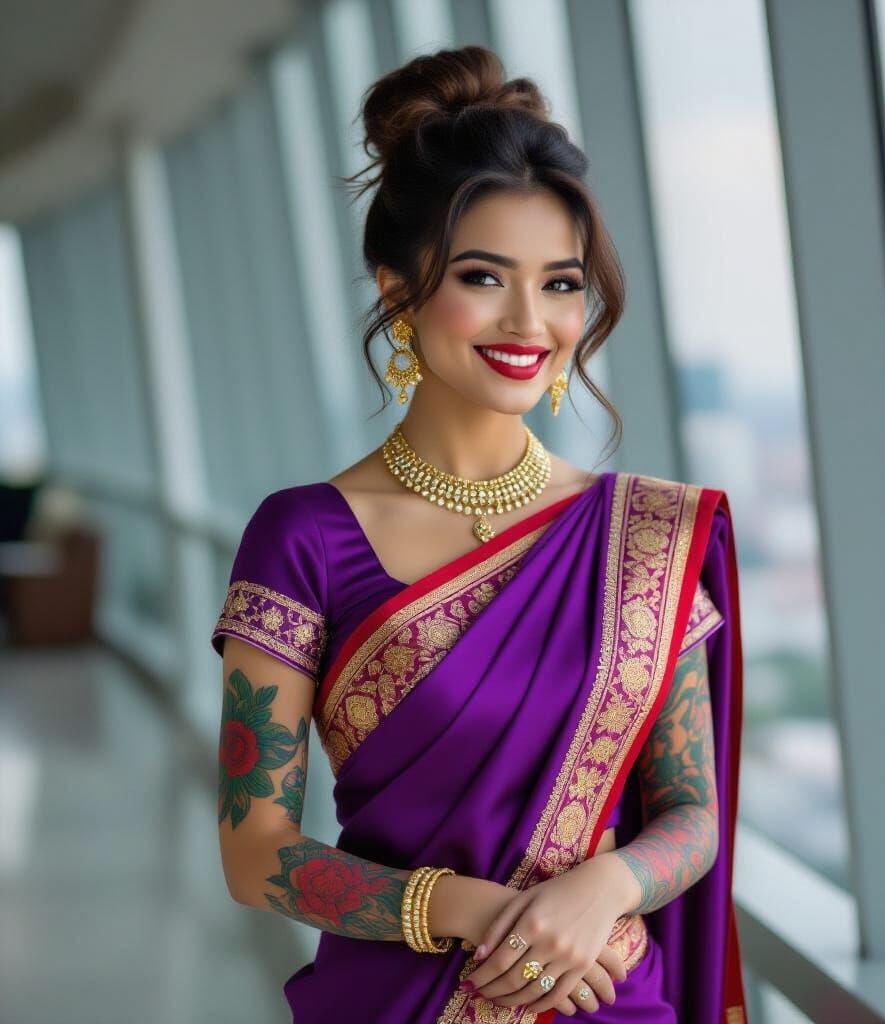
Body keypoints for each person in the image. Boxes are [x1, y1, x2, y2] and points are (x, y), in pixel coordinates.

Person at [211, 44, 747, 1024]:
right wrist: (471, 911)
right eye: (482, 276)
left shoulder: (642, 535)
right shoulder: (304, 537)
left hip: (609, 993)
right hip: (398, 996)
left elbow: (692, 815)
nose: (528, 320)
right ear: (396, 291)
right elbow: (254, 854)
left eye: (560, 283)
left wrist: (602, 887)